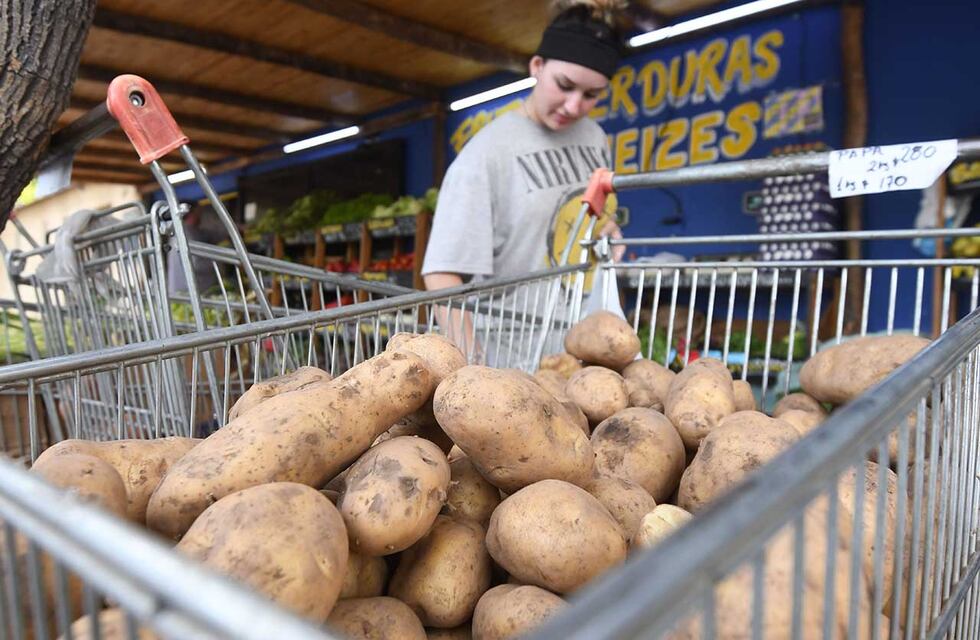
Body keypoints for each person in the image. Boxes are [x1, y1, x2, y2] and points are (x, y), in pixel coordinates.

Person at [422, 0, 627, 295]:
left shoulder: (594, 137)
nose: (573, 106)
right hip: (510, 325)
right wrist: (463, 331)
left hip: (583, 322)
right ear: (537, 66)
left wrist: (608, 230)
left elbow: (594, 216)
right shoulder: (487, 153)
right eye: (564, 85)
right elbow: (441, 274)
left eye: (591, 94)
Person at [167, 203, 224, 297]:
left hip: (181, 291)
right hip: (188, 292)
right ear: (191, 214)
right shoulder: (187, 234)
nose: (200, 215)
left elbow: (209, 235)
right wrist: (220, 262)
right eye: (198, 212)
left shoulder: (182, 231)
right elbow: (196, 263)